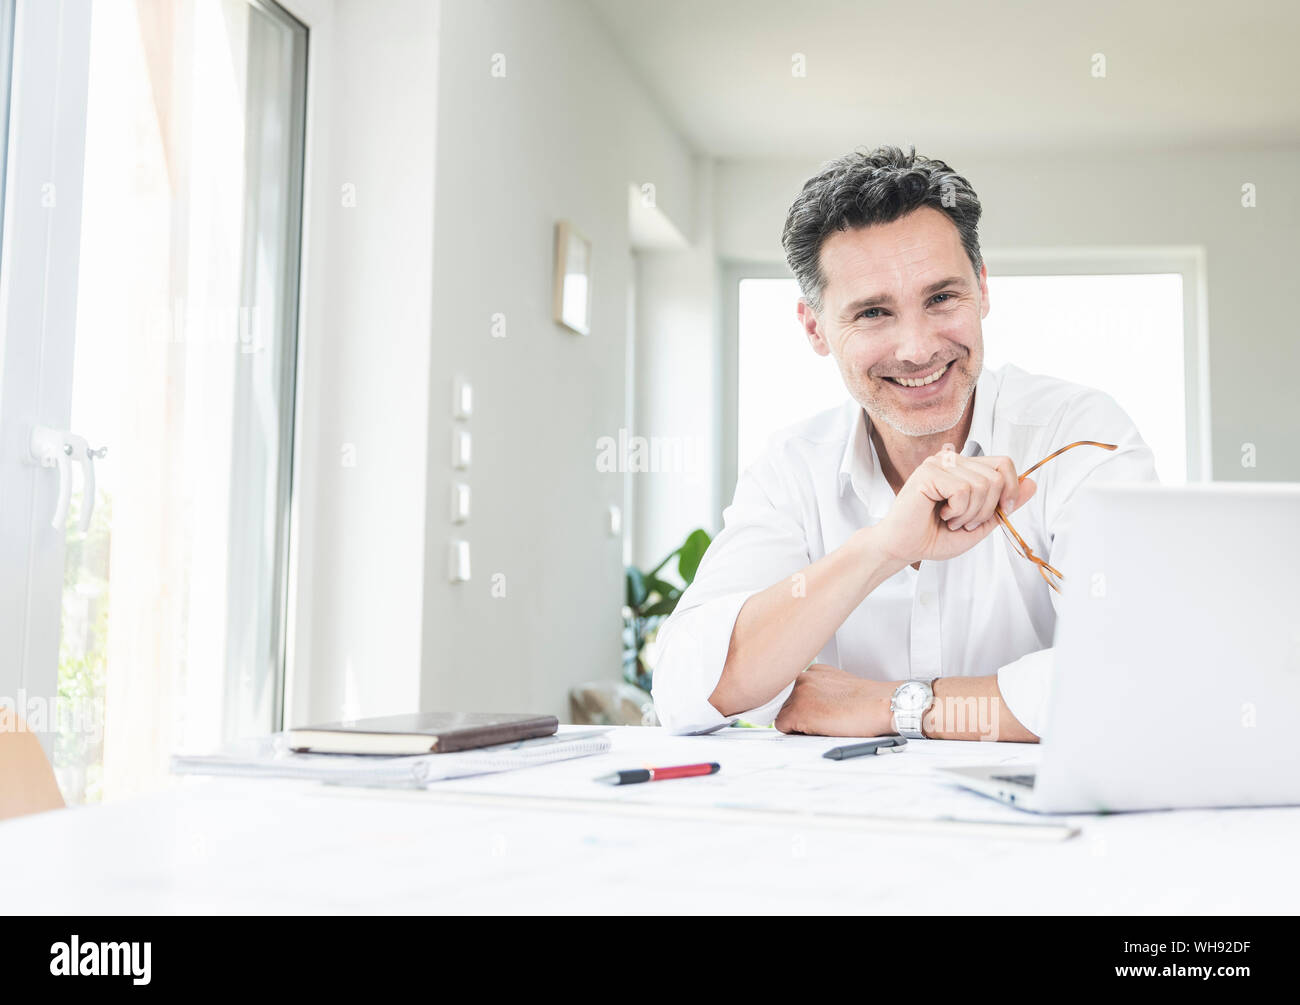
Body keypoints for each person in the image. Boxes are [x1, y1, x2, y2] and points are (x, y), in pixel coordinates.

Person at [651, 145, 1158, 742]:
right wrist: (882, 549)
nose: (917, 348)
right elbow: (686, 688)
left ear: (983, 289)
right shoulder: (791, 467)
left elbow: (1141, 675)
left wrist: (896, 708)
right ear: (815, 328)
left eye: (942, 298)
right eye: (872, 313)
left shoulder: (1079, 436)